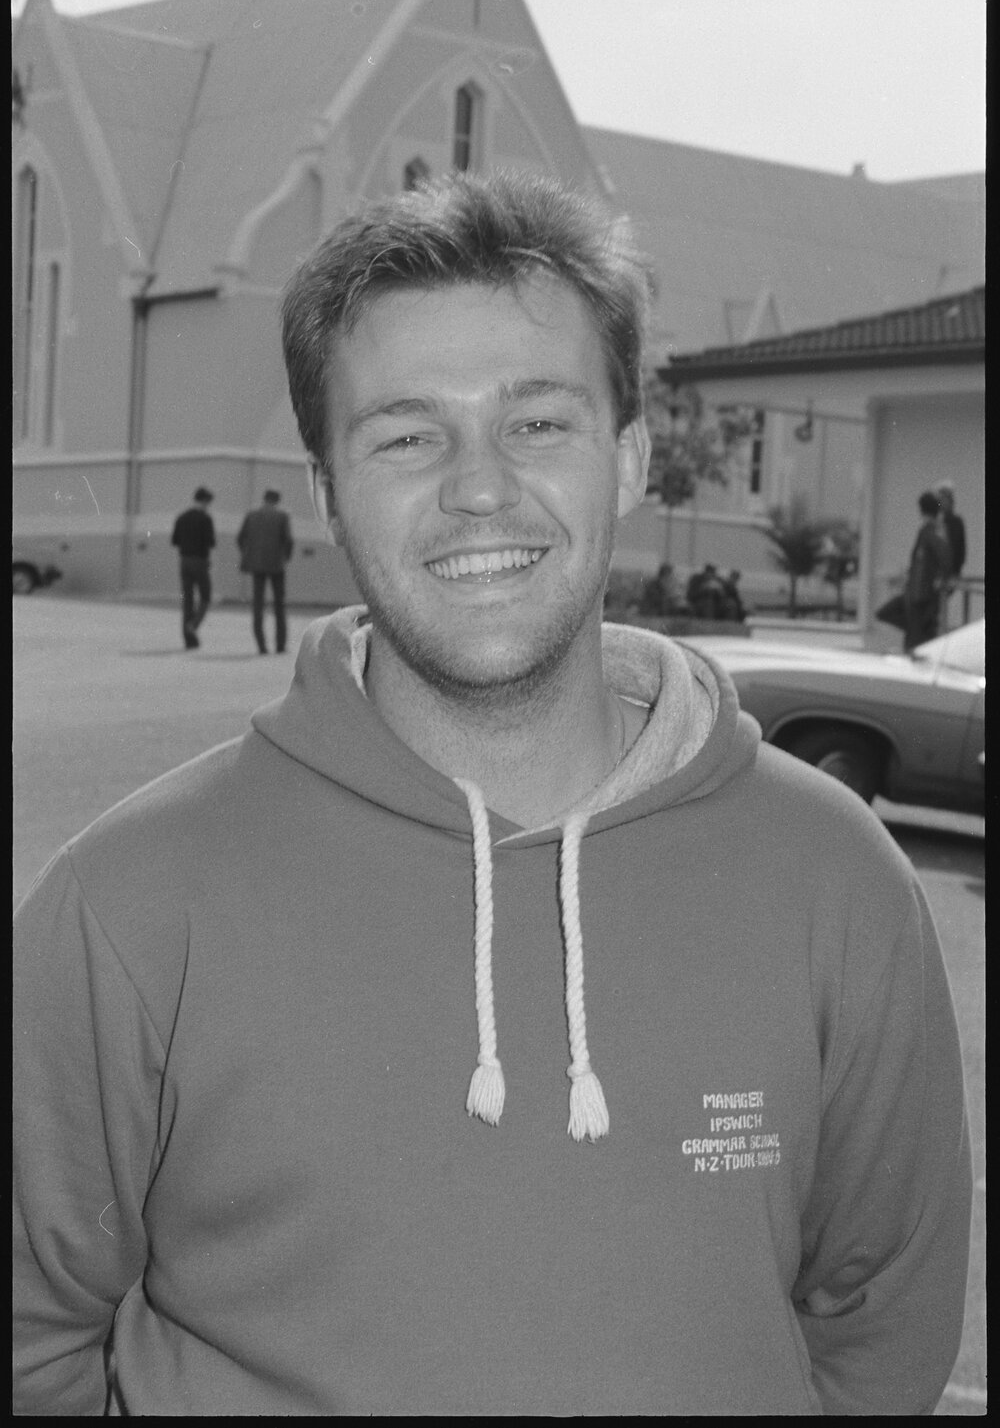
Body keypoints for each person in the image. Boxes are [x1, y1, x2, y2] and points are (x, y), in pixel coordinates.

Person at [14, 172, 971, 1416]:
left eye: (537, 422)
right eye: (407, 433)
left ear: (627, 458)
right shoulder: (126, 905)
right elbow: (34, 1341)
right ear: (324, 492)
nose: (478, 487)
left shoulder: (837, 875)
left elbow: (876, 1330)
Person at [236, 488, 294, 654]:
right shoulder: (282, 516)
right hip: (276, 565)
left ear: (264, 498)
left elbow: (240, 538)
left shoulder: (252, 515)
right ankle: (280, 646)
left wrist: (250, 554)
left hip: (256, 565)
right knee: (279, 606)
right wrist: (285, 558)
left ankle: (261, 646)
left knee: (258, 605)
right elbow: (288, 541)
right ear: (277, 500)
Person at [904, 490, 951, 651]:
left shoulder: (929, 533)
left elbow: (943, 556)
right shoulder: (930, 532)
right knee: (921, 635)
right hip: (921, 592)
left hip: (922, 594)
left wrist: (939, 579)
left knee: (919, 638)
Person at [170, 485, 216, 648]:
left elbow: (174, 540)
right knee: (205, 597)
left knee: (187, 600)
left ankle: (189, 640)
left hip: (184, 560)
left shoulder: (182, 517)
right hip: (200, 561)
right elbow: (211, 542)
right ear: (204, 501)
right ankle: (193, 625)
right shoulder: (205, 519)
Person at [935, 479, 967, 630]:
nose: (943, 503)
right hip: (936, 575)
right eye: (941, 500)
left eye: (945, 499)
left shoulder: (956, 521)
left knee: (949, 613)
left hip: (951, 575)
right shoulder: (936, 522)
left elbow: (961, 549)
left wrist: (956, 572)